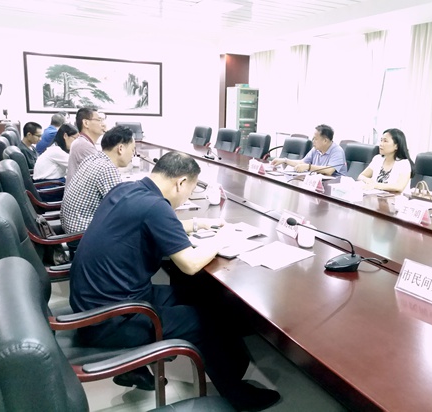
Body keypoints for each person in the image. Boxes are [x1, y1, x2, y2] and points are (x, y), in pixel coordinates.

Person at [69, 151, 280, 410]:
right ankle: (237, 395)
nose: (187, 197)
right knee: (204, 322)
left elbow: (155, 224)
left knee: (200, 296)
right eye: (190, 190)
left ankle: (231, 363)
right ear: (181, 182)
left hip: (100, 303)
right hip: (111, 319)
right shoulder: (156, 207)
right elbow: (190, 264)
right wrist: (221, 239)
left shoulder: (128, 190)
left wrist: (199, 224)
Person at [60, 125, 134, 234]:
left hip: (71, 227)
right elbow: (122, 209)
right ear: (120, 149)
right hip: (83, 235)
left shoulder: (92, 158)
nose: (133, 155)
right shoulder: (107, 168)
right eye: (132, 150)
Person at [271, 124, 347, 176]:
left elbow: (329, 171)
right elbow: (302, 162)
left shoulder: (337, 151)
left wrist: (308, 167)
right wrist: (285, 160)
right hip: (319, 183)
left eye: (315, 139)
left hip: (335, 188)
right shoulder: (316, 149)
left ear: (325, 141)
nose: (313, 141)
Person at [357, 128, 415, 193]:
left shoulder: (403, 163)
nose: (381, 144)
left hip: (394, 198)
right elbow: (361, 176)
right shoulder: (377, 159)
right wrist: (367, 180)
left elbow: (399, 187)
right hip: (374, 196)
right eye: (381, 140)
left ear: (396, 146)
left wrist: (375, 185)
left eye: (385, 141)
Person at [66, 107, 106, 185]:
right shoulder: (83, 145)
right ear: (86, 123)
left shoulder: (83, 142)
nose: (103, 125)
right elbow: (104, 172)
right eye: (99, 120)